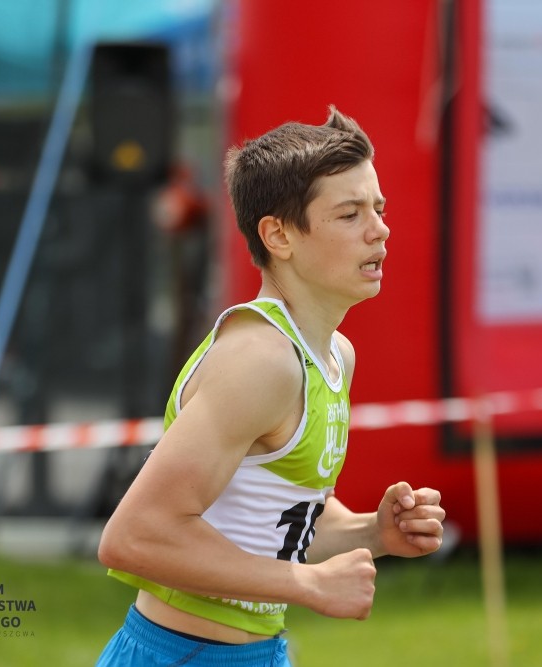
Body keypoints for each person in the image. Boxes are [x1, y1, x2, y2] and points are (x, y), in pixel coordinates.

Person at [95, 106, 446, 667]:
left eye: (378, 209)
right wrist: (306, 585)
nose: (379, 229)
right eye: (350, 214)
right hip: (181, 655)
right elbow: (134, 536)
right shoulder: (262, 360)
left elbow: (279, 521)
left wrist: (373, 532)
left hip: (257, 653)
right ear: (278, 235)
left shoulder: (334, 355)